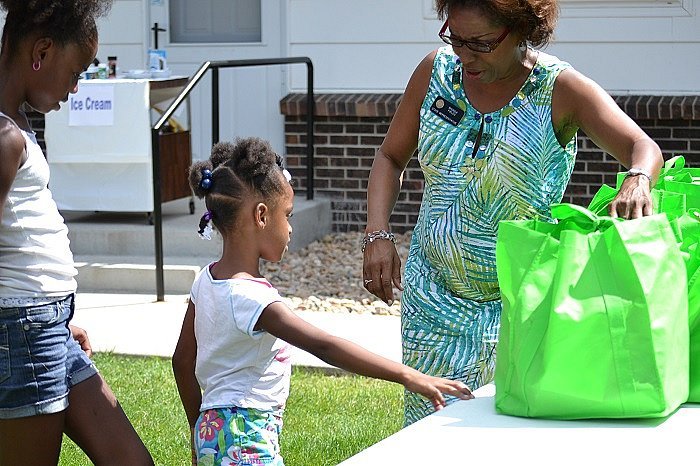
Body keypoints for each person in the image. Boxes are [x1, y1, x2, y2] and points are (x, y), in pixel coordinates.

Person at [361, 0, 664, 425]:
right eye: (456, 38)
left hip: (521, 301)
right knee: (430, 431)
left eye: (481, 43)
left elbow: (642, 147)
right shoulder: (436, 72)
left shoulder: (560, 90)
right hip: (433, 296)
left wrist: (638, 177)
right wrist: (377, 233)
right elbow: (390, 157)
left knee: (510, 432)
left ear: (523, 30)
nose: (465, 55)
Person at [172, 137, 474, 465]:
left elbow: (181, 361)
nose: (290, 229)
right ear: (261, 216)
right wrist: (409, 376)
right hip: (246, 436)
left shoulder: (206, 281)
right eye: (287, 215)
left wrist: (198, 428)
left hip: (212, 432)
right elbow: (324, 346)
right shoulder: (252, 298)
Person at [0, 1, 154, 464]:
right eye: (75, 72)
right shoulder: (4, 136)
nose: (75, 87)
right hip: (23, 331)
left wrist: (57, 317)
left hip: (44, 325)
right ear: (42, 52)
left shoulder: (18, 122)